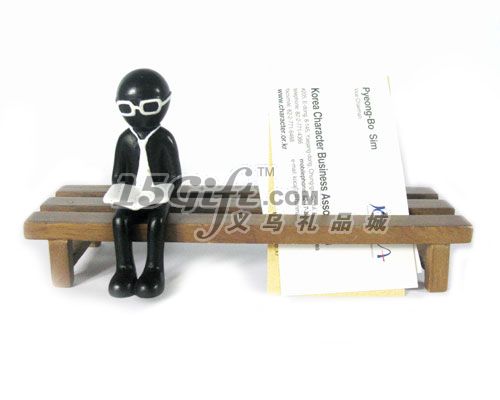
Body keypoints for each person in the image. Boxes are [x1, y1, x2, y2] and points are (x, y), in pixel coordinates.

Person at [109, 68, 181, 298]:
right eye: (127, 108)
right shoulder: (125, 140)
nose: (137, 113)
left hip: (157, 197)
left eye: (149, 106)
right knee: (119, 220)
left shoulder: (164, 139)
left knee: (156, 221)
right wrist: (121, 189)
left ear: (165, 103)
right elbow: (117, 174)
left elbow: (176, 176)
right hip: (131, 196)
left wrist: (165, 190)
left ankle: (154, 270)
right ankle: (124, 269)